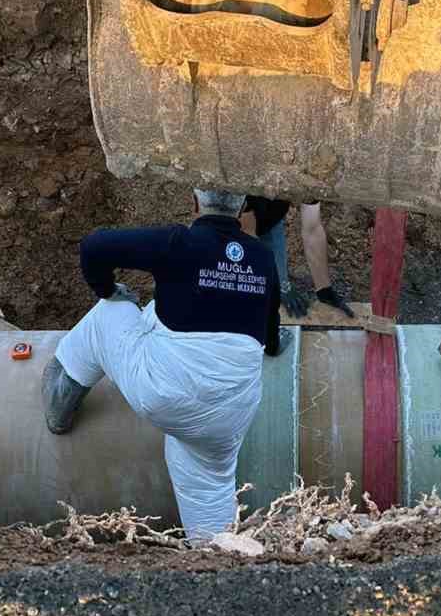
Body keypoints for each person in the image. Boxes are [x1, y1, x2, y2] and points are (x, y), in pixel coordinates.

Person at [41, 188, 282, 539]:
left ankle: (58, 404)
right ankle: (221, 564)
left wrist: (108, 290)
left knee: (110, 314)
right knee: (209, 487)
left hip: (167, 393)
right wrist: (273, 343)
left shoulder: (178, 242)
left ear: (194, 202)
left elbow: (94, 246)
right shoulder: (262, 258)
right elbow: (271, 332)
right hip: (231, 411)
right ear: (243, 207)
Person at [241, 197, 354, 317]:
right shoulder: (252, 189)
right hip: (234, 223)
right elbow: (247, 234)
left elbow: (312, 229)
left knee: (277, 287)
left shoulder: (309, 181)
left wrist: (324, 288)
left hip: (270, 220)